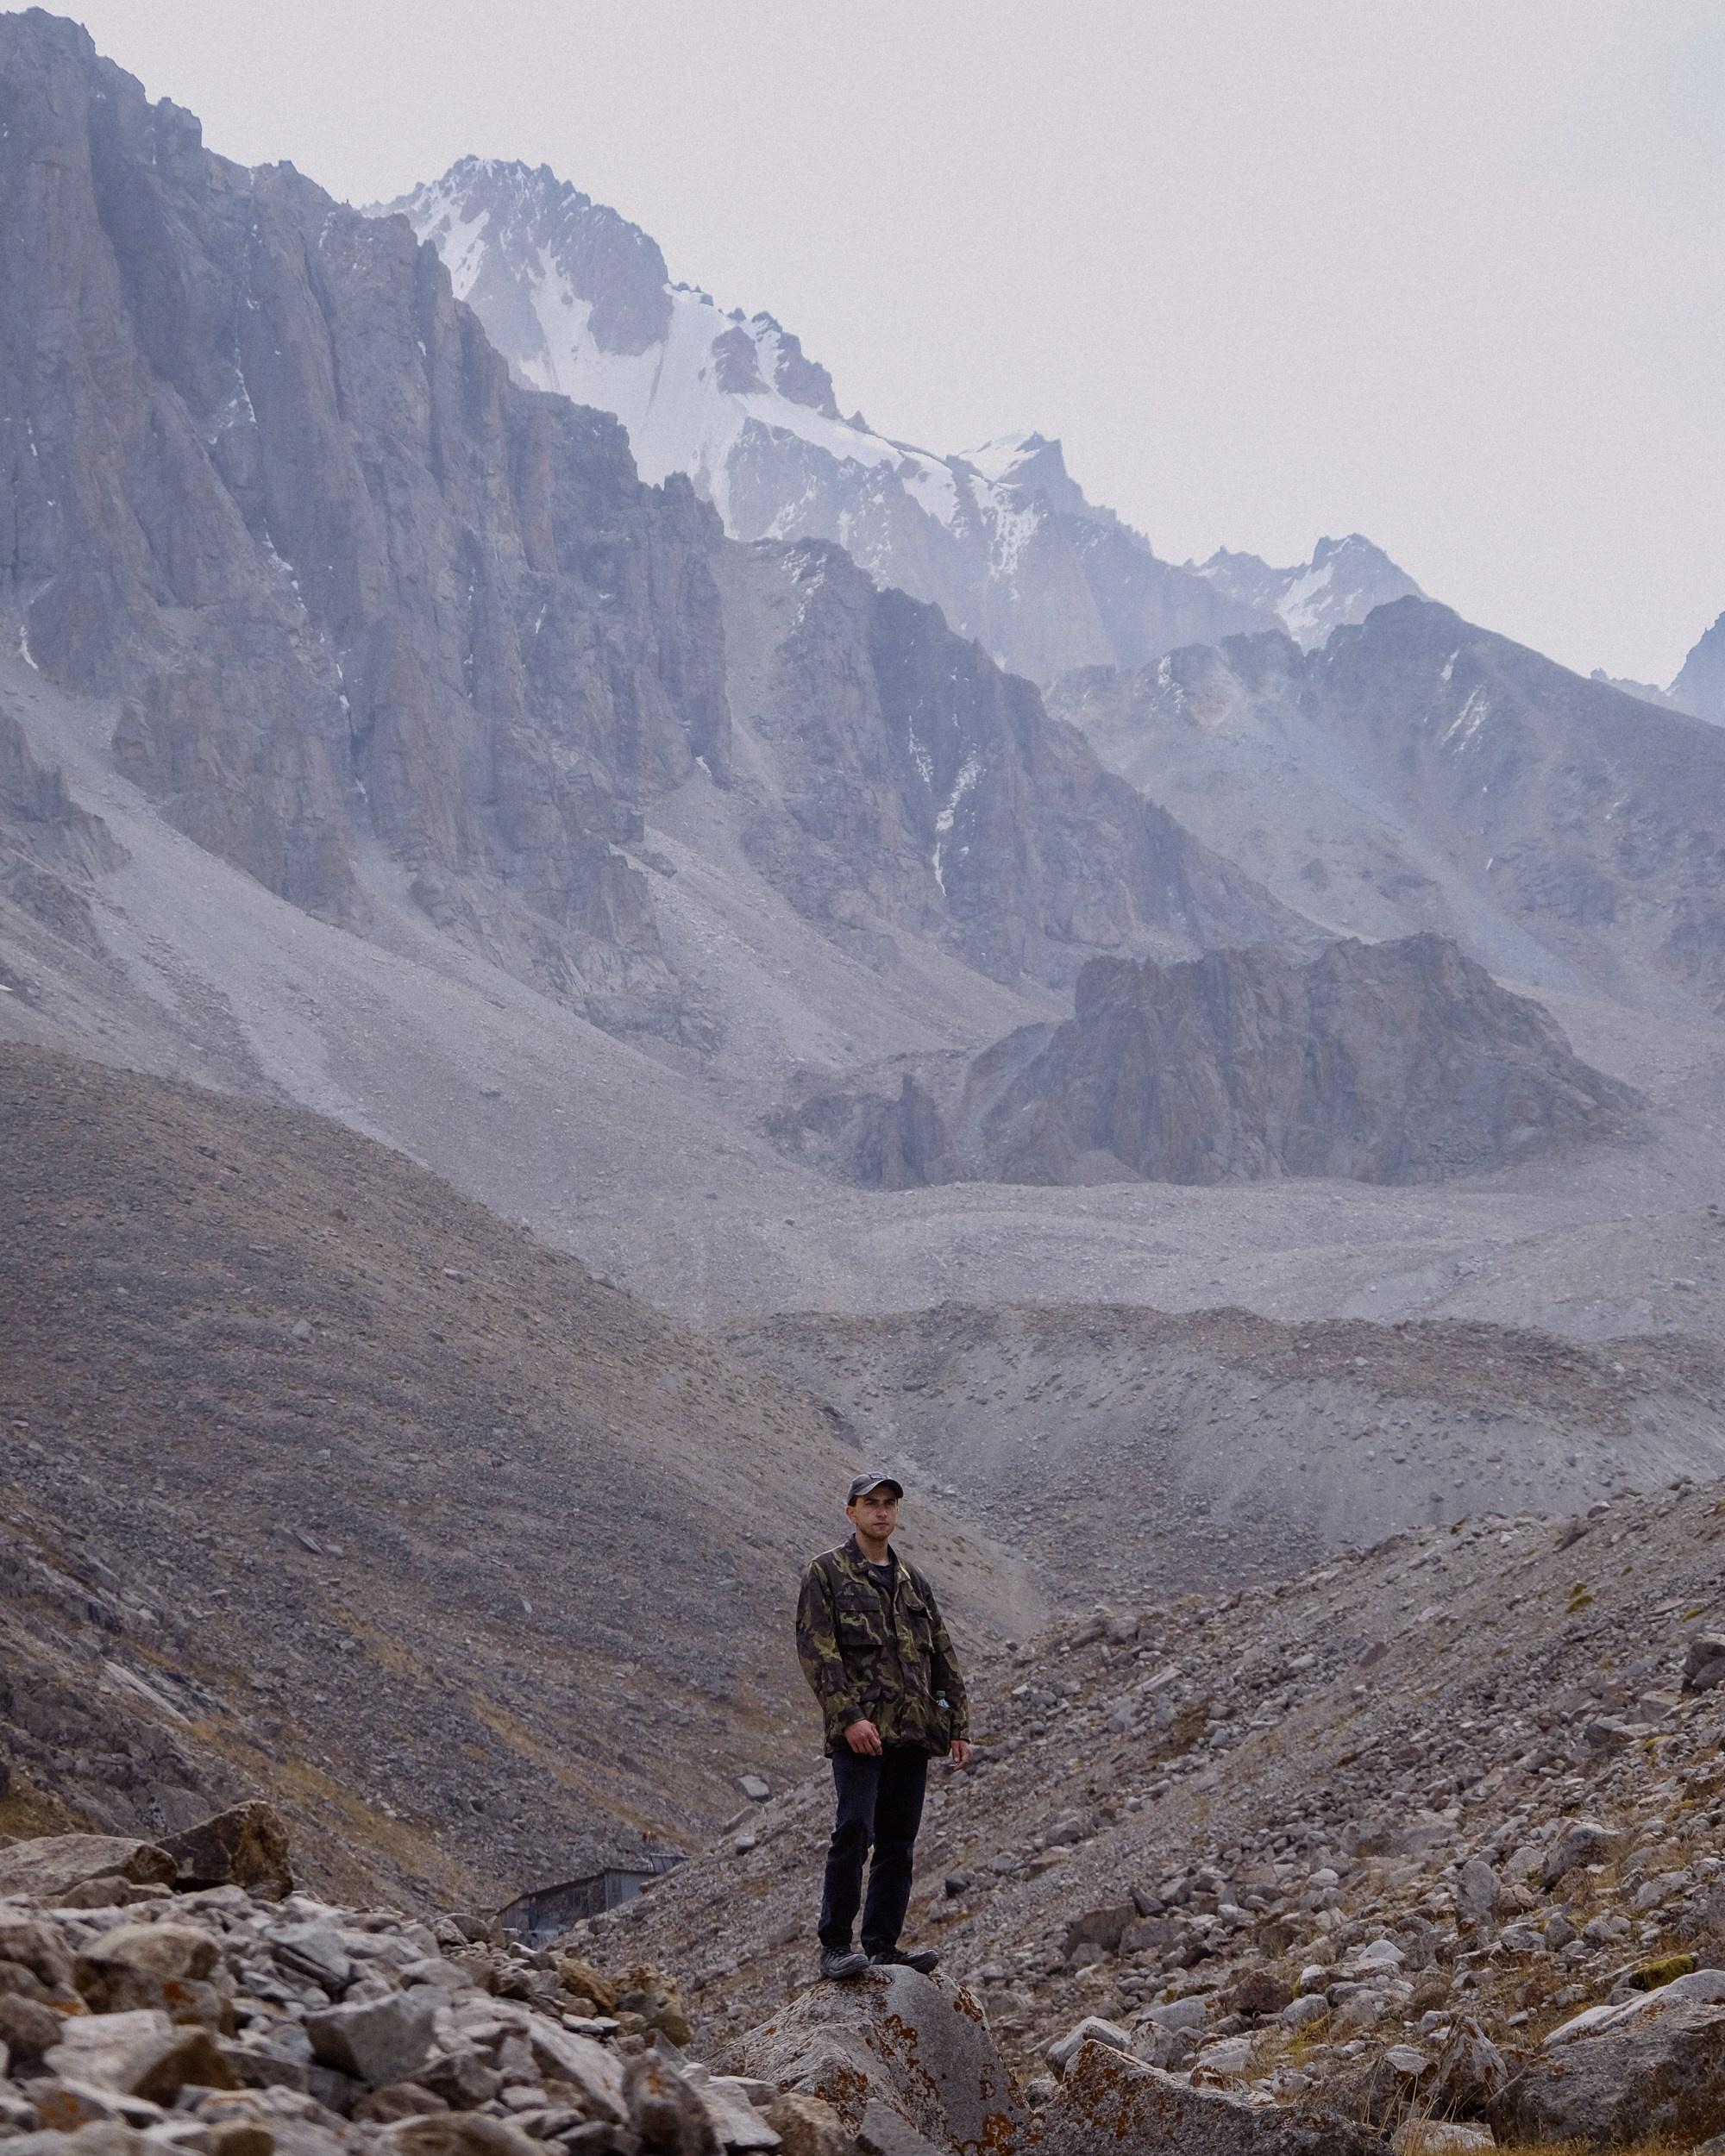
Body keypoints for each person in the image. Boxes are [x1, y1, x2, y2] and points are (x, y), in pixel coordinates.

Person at [795, 1473, 971, 1980]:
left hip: (912, 1732)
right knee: (854, 1830)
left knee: (898, 1841)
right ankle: (835, 1945)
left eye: (889, 1504)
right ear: (851, 1511)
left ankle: (882, 1945)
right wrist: (848, 1717)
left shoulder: (914, 1580)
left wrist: (955, 1722)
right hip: (861, 1734)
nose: (881, 1512)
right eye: (871, 1504)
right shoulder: (826, 1573)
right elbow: (817, 1652)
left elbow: (941, 1654)